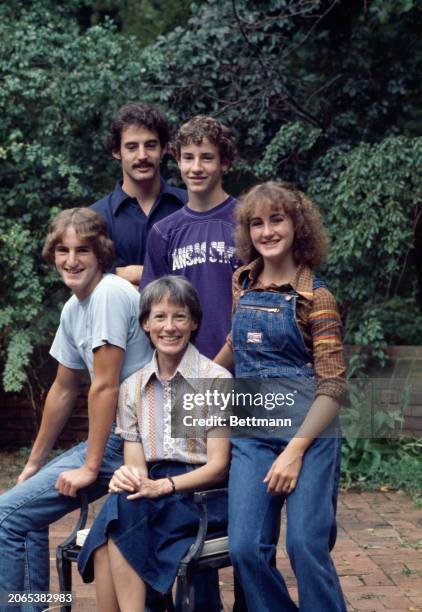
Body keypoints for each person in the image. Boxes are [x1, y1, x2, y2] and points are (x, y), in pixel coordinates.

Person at [0, 208, 152, 611]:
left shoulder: (108, 294)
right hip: (117, 438)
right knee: (22, 513)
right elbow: (63, 388)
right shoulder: (74, 307)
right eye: (63, 250)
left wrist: (89, 467)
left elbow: (104, 385)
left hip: (136, 439)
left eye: (82, 250)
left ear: (101, 253)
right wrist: (33, 464)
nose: (71, 260)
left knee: (4, 520)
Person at [215, 181, 347, 611]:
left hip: (310, 434)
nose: (267, 231)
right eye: (257, 223)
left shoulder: (317, 297)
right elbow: (239, 346)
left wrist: (293, 452)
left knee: (306, 546)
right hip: (252, 431)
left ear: (297, 226)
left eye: (277, 220)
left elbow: (332, 387)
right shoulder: (243, 284)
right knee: (246, 550)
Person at [78, 276, 231, 612]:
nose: (169, 327)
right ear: (145, 323)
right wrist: (126, 477)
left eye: (179, 316)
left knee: (115, 524)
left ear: (193, 322)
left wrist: (163, 486)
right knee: (122, 507)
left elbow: (218, 468)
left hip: (201, 495)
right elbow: (137, 468)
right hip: (151, 493)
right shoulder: (132, 387)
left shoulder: (215, 380)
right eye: (159, 317)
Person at [141, 115, 239, 359]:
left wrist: (215, 370)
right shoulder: (163, 232)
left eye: (206, 157)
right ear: (178, 161)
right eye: (188, 158)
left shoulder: (247, 223)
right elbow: (153, 310)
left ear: (224, 163)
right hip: (184, 371)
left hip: (244, 369)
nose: (196, 168)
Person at [91, 101, 187, 286]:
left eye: (150, 145)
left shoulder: (190, 206)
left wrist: (127, 273)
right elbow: (85, 280)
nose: (142, 155)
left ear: (164, 148)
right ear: (116, 151)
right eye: (132, 147)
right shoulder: (95, 218)